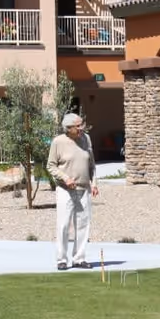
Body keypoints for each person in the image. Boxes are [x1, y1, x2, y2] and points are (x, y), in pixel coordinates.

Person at [47, 113, 99, 270]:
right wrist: (65, 178)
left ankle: (79, 258)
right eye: (78, 126)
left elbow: (92, 164)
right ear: (68, 128)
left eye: (81, 124)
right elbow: (51, 166)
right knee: (63, 225)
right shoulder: (58, 142)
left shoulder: (86, 139)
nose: (81, 128)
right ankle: (61, 260)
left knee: (83, 225)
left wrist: (94, 183)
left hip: (84, 189)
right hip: (65, 189)